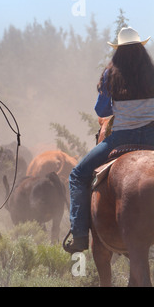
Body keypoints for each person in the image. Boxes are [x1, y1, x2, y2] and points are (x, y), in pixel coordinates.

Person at [64, 27, 154, 253]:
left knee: (77, 175)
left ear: (118, 51)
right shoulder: (152, 72)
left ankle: (80, 235)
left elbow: (102, 109)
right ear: (141, 49)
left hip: (122, 138)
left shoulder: (110, 74)